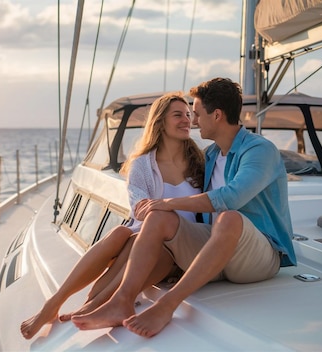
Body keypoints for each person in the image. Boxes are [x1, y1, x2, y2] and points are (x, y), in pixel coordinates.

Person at [71, 77, 297, 337]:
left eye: (197, 114)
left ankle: (166, 306)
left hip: (258, 256)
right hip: (216, 251)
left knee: (229, 218)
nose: (194, 121)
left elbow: (230, 198)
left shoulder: (260, 150)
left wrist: (168, 201)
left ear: (218, 115)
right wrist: (160, 209)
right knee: (158, 216)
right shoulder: (210, 156)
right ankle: (122, 301)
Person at [20, 91, 205, 340]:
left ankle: (90, 305)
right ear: (159, 121)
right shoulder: (142, 164)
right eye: (177, 115)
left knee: (133, 238)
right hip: (149, 238)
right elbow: (139, 207)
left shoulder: (200, 162)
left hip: (179, 248)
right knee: (121, 233)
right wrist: (156, 210)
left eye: (188, 114)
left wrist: (158, 207)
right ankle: (56, 303)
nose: (186, 120)